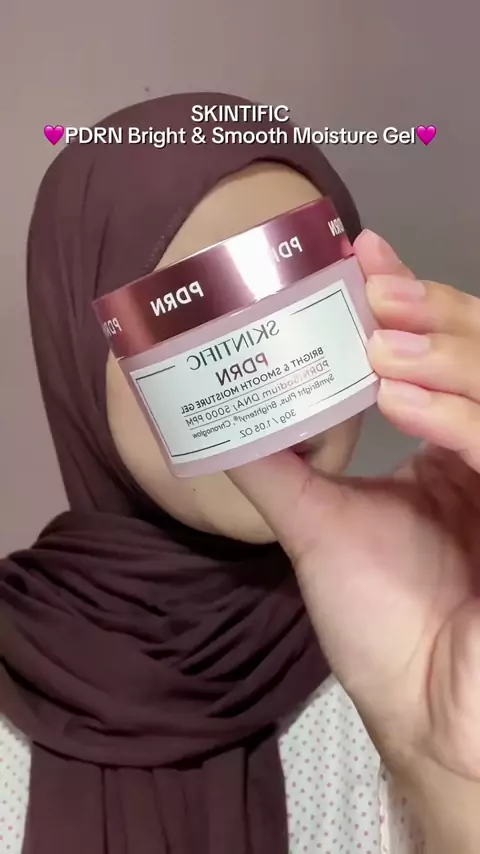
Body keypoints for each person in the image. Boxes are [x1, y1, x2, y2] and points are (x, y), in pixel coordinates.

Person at [0, 92, 478, 854]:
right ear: (73, 347)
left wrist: (453, 788)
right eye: (189, 310)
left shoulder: (427, 649)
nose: (266, 369)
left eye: (301, 301)